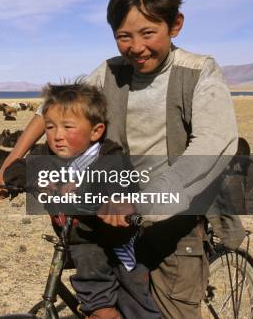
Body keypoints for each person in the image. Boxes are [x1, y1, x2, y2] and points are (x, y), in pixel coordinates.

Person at [0, 0, 239, 318]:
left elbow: (211, 146)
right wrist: (10, 163)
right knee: (100, 301)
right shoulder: (110, 71)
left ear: (176, 25)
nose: (136, 47)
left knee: (169, 310)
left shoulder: (198, 72)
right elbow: (52, 107)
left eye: (148, 33)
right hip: (107, 216)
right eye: (124, 36)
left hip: (171, 221)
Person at [11, 81, 161, 319]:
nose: (57, 136)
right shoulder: (46, 156)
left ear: (96, 131)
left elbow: (119, 181)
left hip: (118, 241)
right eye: (50, 127)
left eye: (67, 127)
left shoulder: (108, 156)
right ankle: (102, 310)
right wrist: (25, 180)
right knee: (94, 292)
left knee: (137, 305)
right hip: (80, 242)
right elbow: (17, 169)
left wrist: (114, 199)